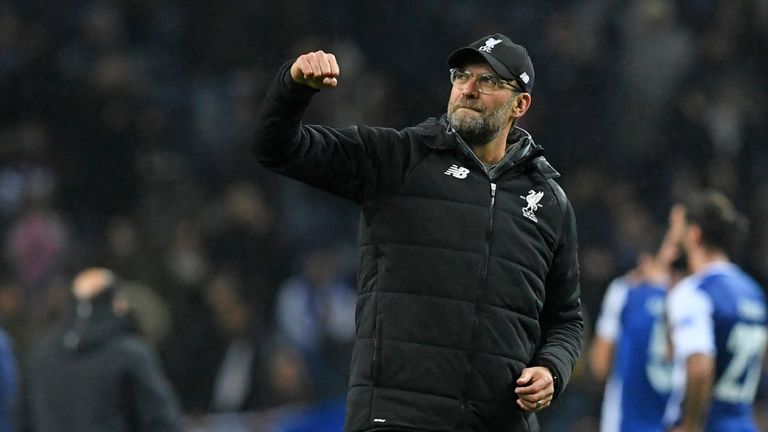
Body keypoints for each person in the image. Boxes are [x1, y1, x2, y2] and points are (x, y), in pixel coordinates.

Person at [254, 33, 583, 431]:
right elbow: (278, 148)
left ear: (521, 104)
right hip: (397, 418)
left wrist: (551, 370)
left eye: (490, 81)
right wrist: (293, 87)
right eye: (461, 76)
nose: (469, 89)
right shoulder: (400, 158)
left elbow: (566, 319)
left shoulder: (549, 202)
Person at [21, 268, 184, 432]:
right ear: (118, 303)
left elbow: (22, 419)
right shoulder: (130, 354)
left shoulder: (40, 356)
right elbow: (161, 420)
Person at [664, 191, 767, 432]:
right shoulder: (752, 291)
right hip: (744, 423)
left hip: (712, 424)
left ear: (694, 234)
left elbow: (699, 366)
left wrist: (690, 426)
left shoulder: (695, 291)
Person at [589, 208, 686, 432]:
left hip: (626, 422)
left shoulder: (624, 291)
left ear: (644, 261)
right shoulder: (692, 296)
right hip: (672, 422)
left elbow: (600, 365)